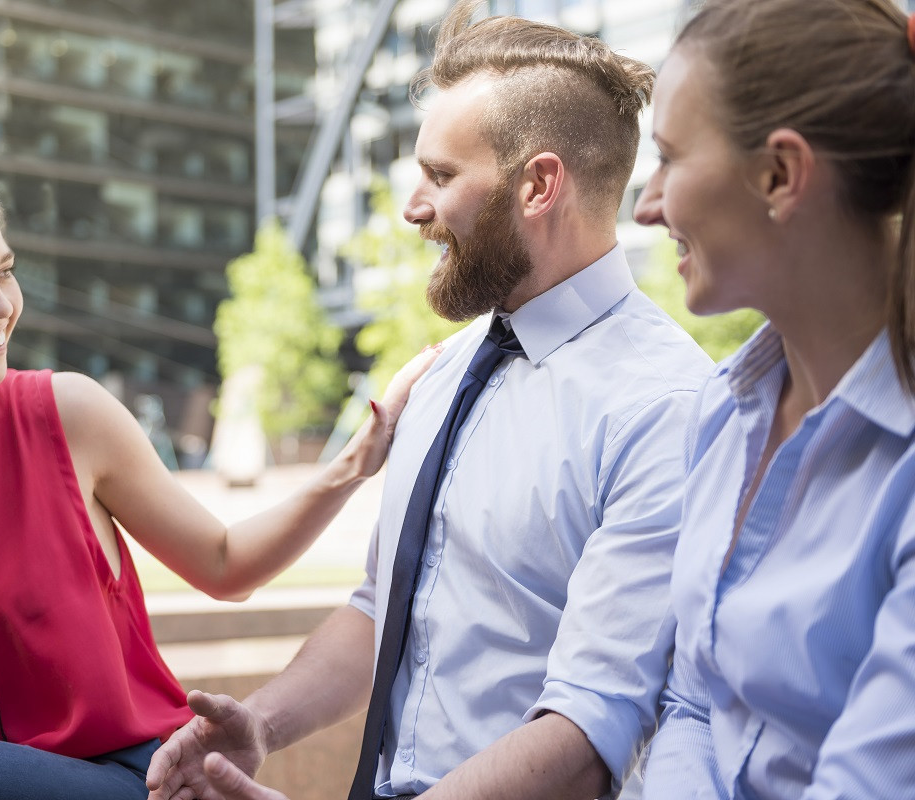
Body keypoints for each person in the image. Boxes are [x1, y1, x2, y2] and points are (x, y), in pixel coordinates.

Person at [146, 3, 713, 799]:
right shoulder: (443, 375)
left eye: (441, 177)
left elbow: (589, 732)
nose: (413, 208)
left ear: (539, 185)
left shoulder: (667, 407)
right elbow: (381, 608)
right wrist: (262, 723)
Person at [0, 162, 437, 800]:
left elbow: (227, 565)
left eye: (5, 272)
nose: (1, 305)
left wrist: (355, 462)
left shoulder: (66, 415)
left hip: (140, 781)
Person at [630, 0, 915, 797]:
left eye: (669, 158)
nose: (647, 204)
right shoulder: (723, 413)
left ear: (780, 176)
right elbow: (696, 702)